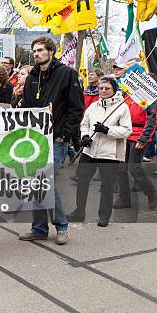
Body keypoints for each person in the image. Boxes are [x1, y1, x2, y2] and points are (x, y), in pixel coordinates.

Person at [18, 37, 84, 245]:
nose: (36, 54)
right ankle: (39, 228)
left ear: (50, 52)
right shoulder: (32, 77)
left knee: (46, 183)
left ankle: (61, 225)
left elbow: (76, 108)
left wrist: (64, 134)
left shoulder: (66, 74)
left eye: (40, 50)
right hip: (35, 138)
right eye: (34, 51)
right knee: (35, 182)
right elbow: (28, 106)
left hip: (56, 139)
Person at [66, 76, 131, 226]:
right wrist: (85, 136)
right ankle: (79, 211)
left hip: (110, 153)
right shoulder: (94, 106)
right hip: (90, 151)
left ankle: (104, 216)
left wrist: (108, 130)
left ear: (114, 89)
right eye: (101, 88)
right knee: (82, 181)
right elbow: (84, 124)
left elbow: (127, 130)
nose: (103, 91)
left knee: (107, 185)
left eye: (107, 88)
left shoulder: (122, 107)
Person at [112, 62, 157, 211]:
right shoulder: (125, 93)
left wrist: (143, 138)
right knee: (120, 168)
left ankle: (151, 192)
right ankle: (124, 198)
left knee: (134, 168)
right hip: (124, 132)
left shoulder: (148, 95)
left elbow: (153, 118)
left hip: (139, 134)